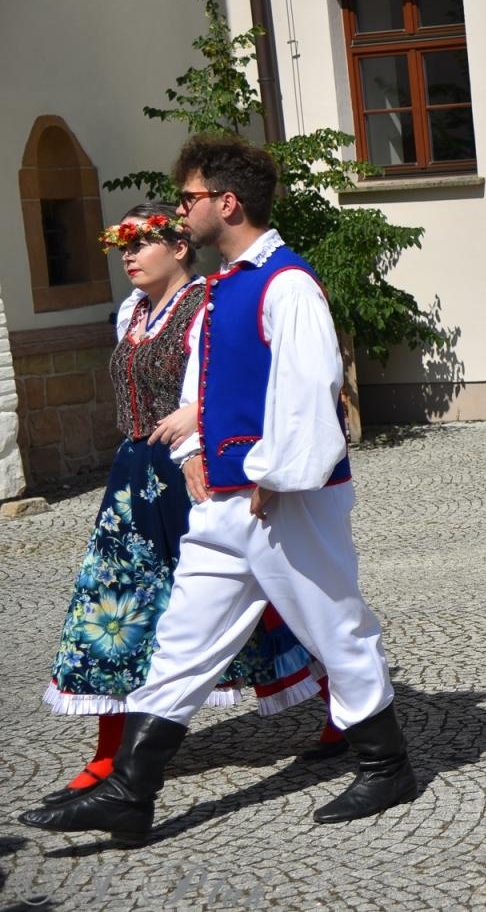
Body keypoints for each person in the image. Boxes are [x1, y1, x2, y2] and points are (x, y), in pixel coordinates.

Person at [21, 135, 416, 844]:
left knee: (334, 625)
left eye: (191, 198)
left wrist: (273, 474)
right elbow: (204, 386)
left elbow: (309, 388)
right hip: (227, 503)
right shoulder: (229, 286)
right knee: (182, 639)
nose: (183, 210)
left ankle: (386, 764)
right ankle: (131, 789)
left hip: (282, 496)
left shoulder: (285, 283)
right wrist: (198, 451)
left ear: (226, 203)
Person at [33, 204, 334, 807]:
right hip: (134, 474)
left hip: (196, 470)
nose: (129, 254)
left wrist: (197, 417)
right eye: (123, 244)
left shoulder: (211, 304)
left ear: (178, 247)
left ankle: (347, 707)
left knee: (268, 593)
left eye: (143, 241)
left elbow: (256, 377)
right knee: (119, 604)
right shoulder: (132, 314)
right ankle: (110, 753)